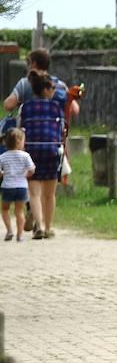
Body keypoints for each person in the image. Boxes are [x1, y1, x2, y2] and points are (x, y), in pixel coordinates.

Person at [19, 74, 64, 239]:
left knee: (35, 193)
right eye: (52, 88)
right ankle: (48, 227)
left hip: (32, 150)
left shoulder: (26, 107)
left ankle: (38, 225)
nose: (54, 91)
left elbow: (20, 129)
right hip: (51, 150)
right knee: (49, 193)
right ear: (45, 89)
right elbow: (61, 131)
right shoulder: (56, 108)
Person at [0, 128, 34, 242]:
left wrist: (3, 173)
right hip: (21, 187)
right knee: (19, 211)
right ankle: (20, 235)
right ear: (19, 141)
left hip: (7, 187)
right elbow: (32, 169)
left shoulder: (3, 156)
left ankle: (9, 230)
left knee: (4, 209)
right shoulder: (25, 156)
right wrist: (26, 174)